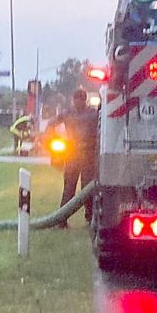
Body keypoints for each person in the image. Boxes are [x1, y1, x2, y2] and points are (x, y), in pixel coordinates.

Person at [53, 89, 99, 226]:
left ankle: (88, 217)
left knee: (86, 188)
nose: (77, 103)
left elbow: (51, 124)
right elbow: (51, 124)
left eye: (79, 100)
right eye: (76, 100)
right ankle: (63, 219)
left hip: (86, 154)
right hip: (75, 153)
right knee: (71, 188)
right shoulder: (88, 114)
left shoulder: (92, 114)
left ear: (83, 100)